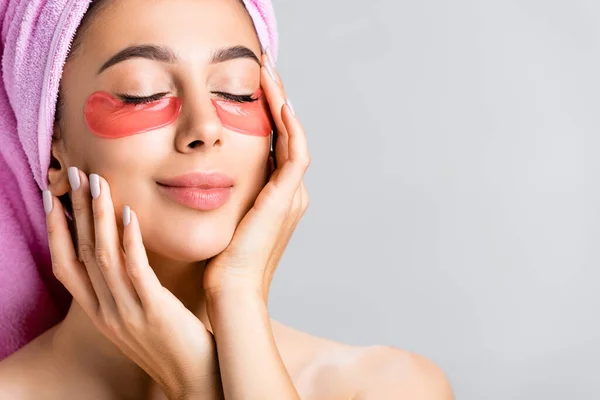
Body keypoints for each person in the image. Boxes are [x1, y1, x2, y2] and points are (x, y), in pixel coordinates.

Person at [0, 0, 454, 398]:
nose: (205, 128)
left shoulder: (387, 387)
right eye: (143, 93)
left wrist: (234, 300)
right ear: (52, 149)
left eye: (236, 91)